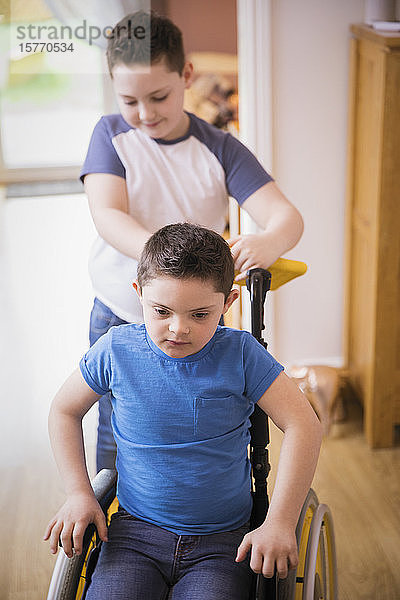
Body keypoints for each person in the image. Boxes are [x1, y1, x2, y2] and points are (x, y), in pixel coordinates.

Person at [44, 223, 321, 600]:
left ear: (228, 304)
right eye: (161, 311)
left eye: (200, 314)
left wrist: (280, 522)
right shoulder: (116, 350)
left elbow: (304, 424)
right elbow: (63, 409)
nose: (178, 328)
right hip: (134, 535)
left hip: (222, 544)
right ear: (138, 294)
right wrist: (79, 492)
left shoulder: (240, 353)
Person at [81, 10, 304, 472]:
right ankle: (106, 519)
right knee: (115, 419)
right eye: (129, 100)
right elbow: (108, 215)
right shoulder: (111, 135)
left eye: (159, 96)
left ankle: (182, 505)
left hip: (193, 318)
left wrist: (270, 241)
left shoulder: (220, 148)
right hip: (122, 308)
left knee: (189, 416)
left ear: (186, 75)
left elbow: (286, 217)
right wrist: (165, 260)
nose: (145, 114)